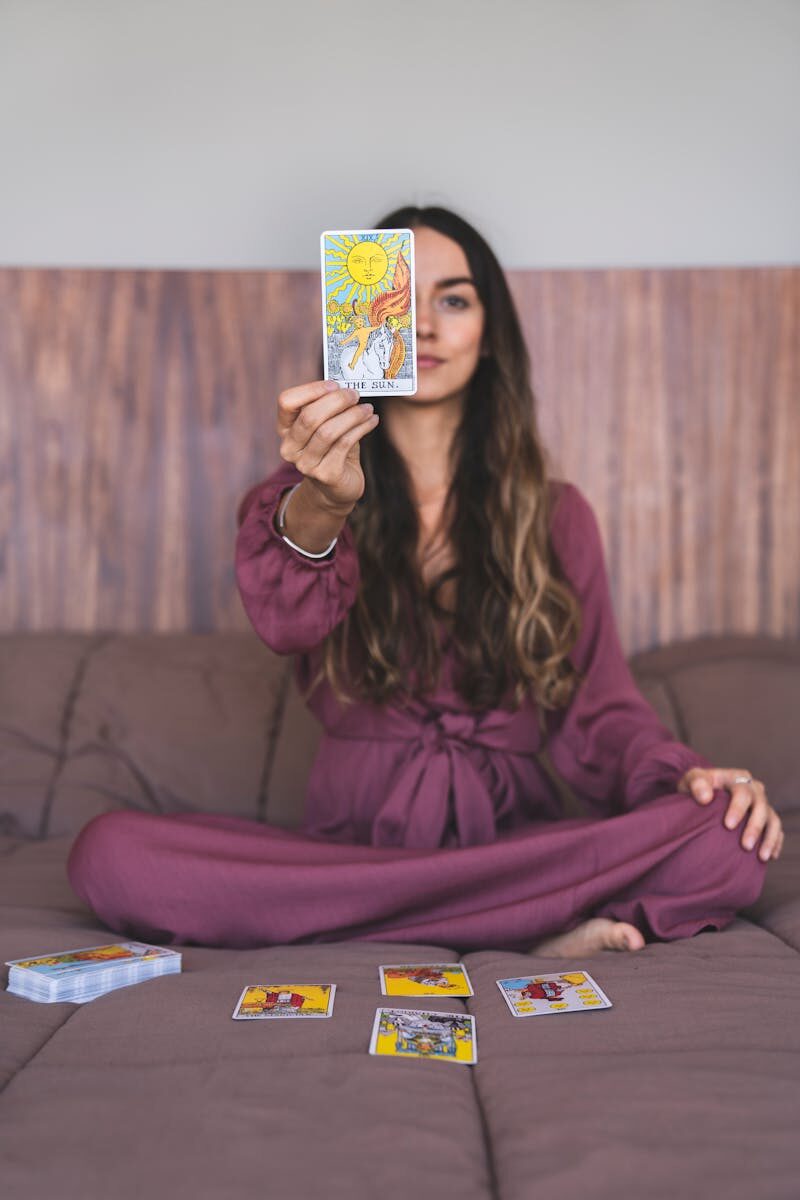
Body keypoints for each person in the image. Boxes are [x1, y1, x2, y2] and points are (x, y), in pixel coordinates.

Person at [67, 206, 784, 956]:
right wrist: (326, 503)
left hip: (514, 851)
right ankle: (521, 929)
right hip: (349, 860)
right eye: (400, 299)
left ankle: (415, 922)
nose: (426, 326)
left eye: (454, 298)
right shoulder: (299, 496)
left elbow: (601, 716)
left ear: (490, 329)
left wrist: (693, 781)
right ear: (357, 317)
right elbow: (288, 622)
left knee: (730, 839)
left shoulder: (557, 515)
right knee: (110, 855)